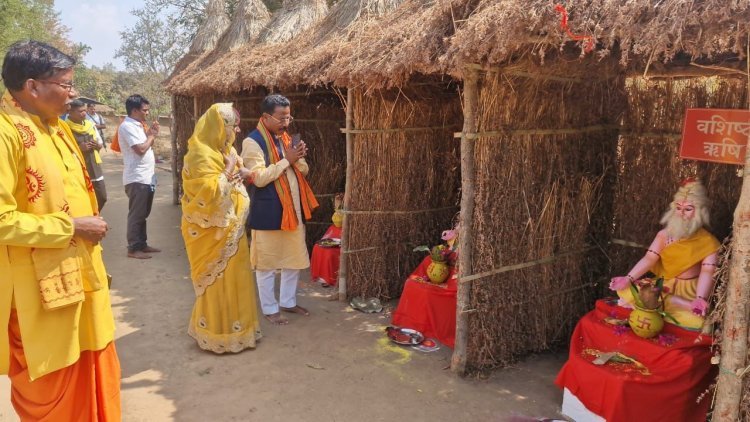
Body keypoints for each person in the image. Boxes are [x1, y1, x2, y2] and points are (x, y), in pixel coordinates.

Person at [0, 40, 120, 420]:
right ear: (32, 86)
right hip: (39, 293)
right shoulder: (6, 134)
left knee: (95, 361)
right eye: (66, 85)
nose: (72, 95)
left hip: (82, 277)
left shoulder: (59, 127)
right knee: (53, 388)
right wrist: (71, 227)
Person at [181, 103, 262, 352]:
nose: (237, 130)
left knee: (236, 277)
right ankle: (216, 332)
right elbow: (208, 194)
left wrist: (238, 173)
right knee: (217, 281)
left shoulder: (226, 150)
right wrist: (228, 170)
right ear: (219, 127)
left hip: (232, 230)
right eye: (233, 126)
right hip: (211, 233)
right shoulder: (200, 155)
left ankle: (239, 331)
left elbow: (238, 176)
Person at [241, 94, 319, 325]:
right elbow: (259, 178)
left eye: (288, 117)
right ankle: (269, 307)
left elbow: (302, 171)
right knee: (266, 263)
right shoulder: (252, 142)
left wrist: (298, 156)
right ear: (265, 117)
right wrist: (287, 159)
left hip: (292, 209)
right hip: (267, 210)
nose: (286, 122)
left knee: (292, 259)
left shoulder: (286, 138)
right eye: (281, 118)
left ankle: (287, 301)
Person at [610, 178, 720, 329]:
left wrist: (700, 298)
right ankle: (670, 302)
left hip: (690, 292)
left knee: (700, 321)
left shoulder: (709, 242)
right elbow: (649, 258)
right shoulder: (664, 235)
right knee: (625, 290)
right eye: (678, 208)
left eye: (688, 209)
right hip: (664, 284)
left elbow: (708, 272)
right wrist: (628, 278)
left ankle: (667, 304)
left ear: (700, 212)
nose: (681, 213)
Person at [119, 94, 160, 259]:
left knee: (143, 212)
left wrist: (150, 134)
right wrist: (152, 135)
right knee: (137, 214)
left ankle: (141, 244)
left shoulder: (138, 125)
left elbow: (146, 146)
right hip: (137, 178)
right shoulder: (127, 127)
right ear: (135, 110)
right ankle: (133, 248)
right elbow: (141, 149)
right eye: (145, 110)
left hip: (146, 176)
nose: (147, 113)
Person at [66, 99, 107, 211]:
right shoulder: (64, 128)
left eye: (84, 111)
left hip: (94, 167)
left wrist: (97, 145)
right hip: (77, 170)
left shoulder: (90, 125)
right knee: (82, 199)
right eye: (80, 111)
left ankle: (94, 216)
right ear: (70, 112)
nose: (84, 113)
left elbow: (100, 144)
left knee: (102, 197)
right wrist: (79, 149)